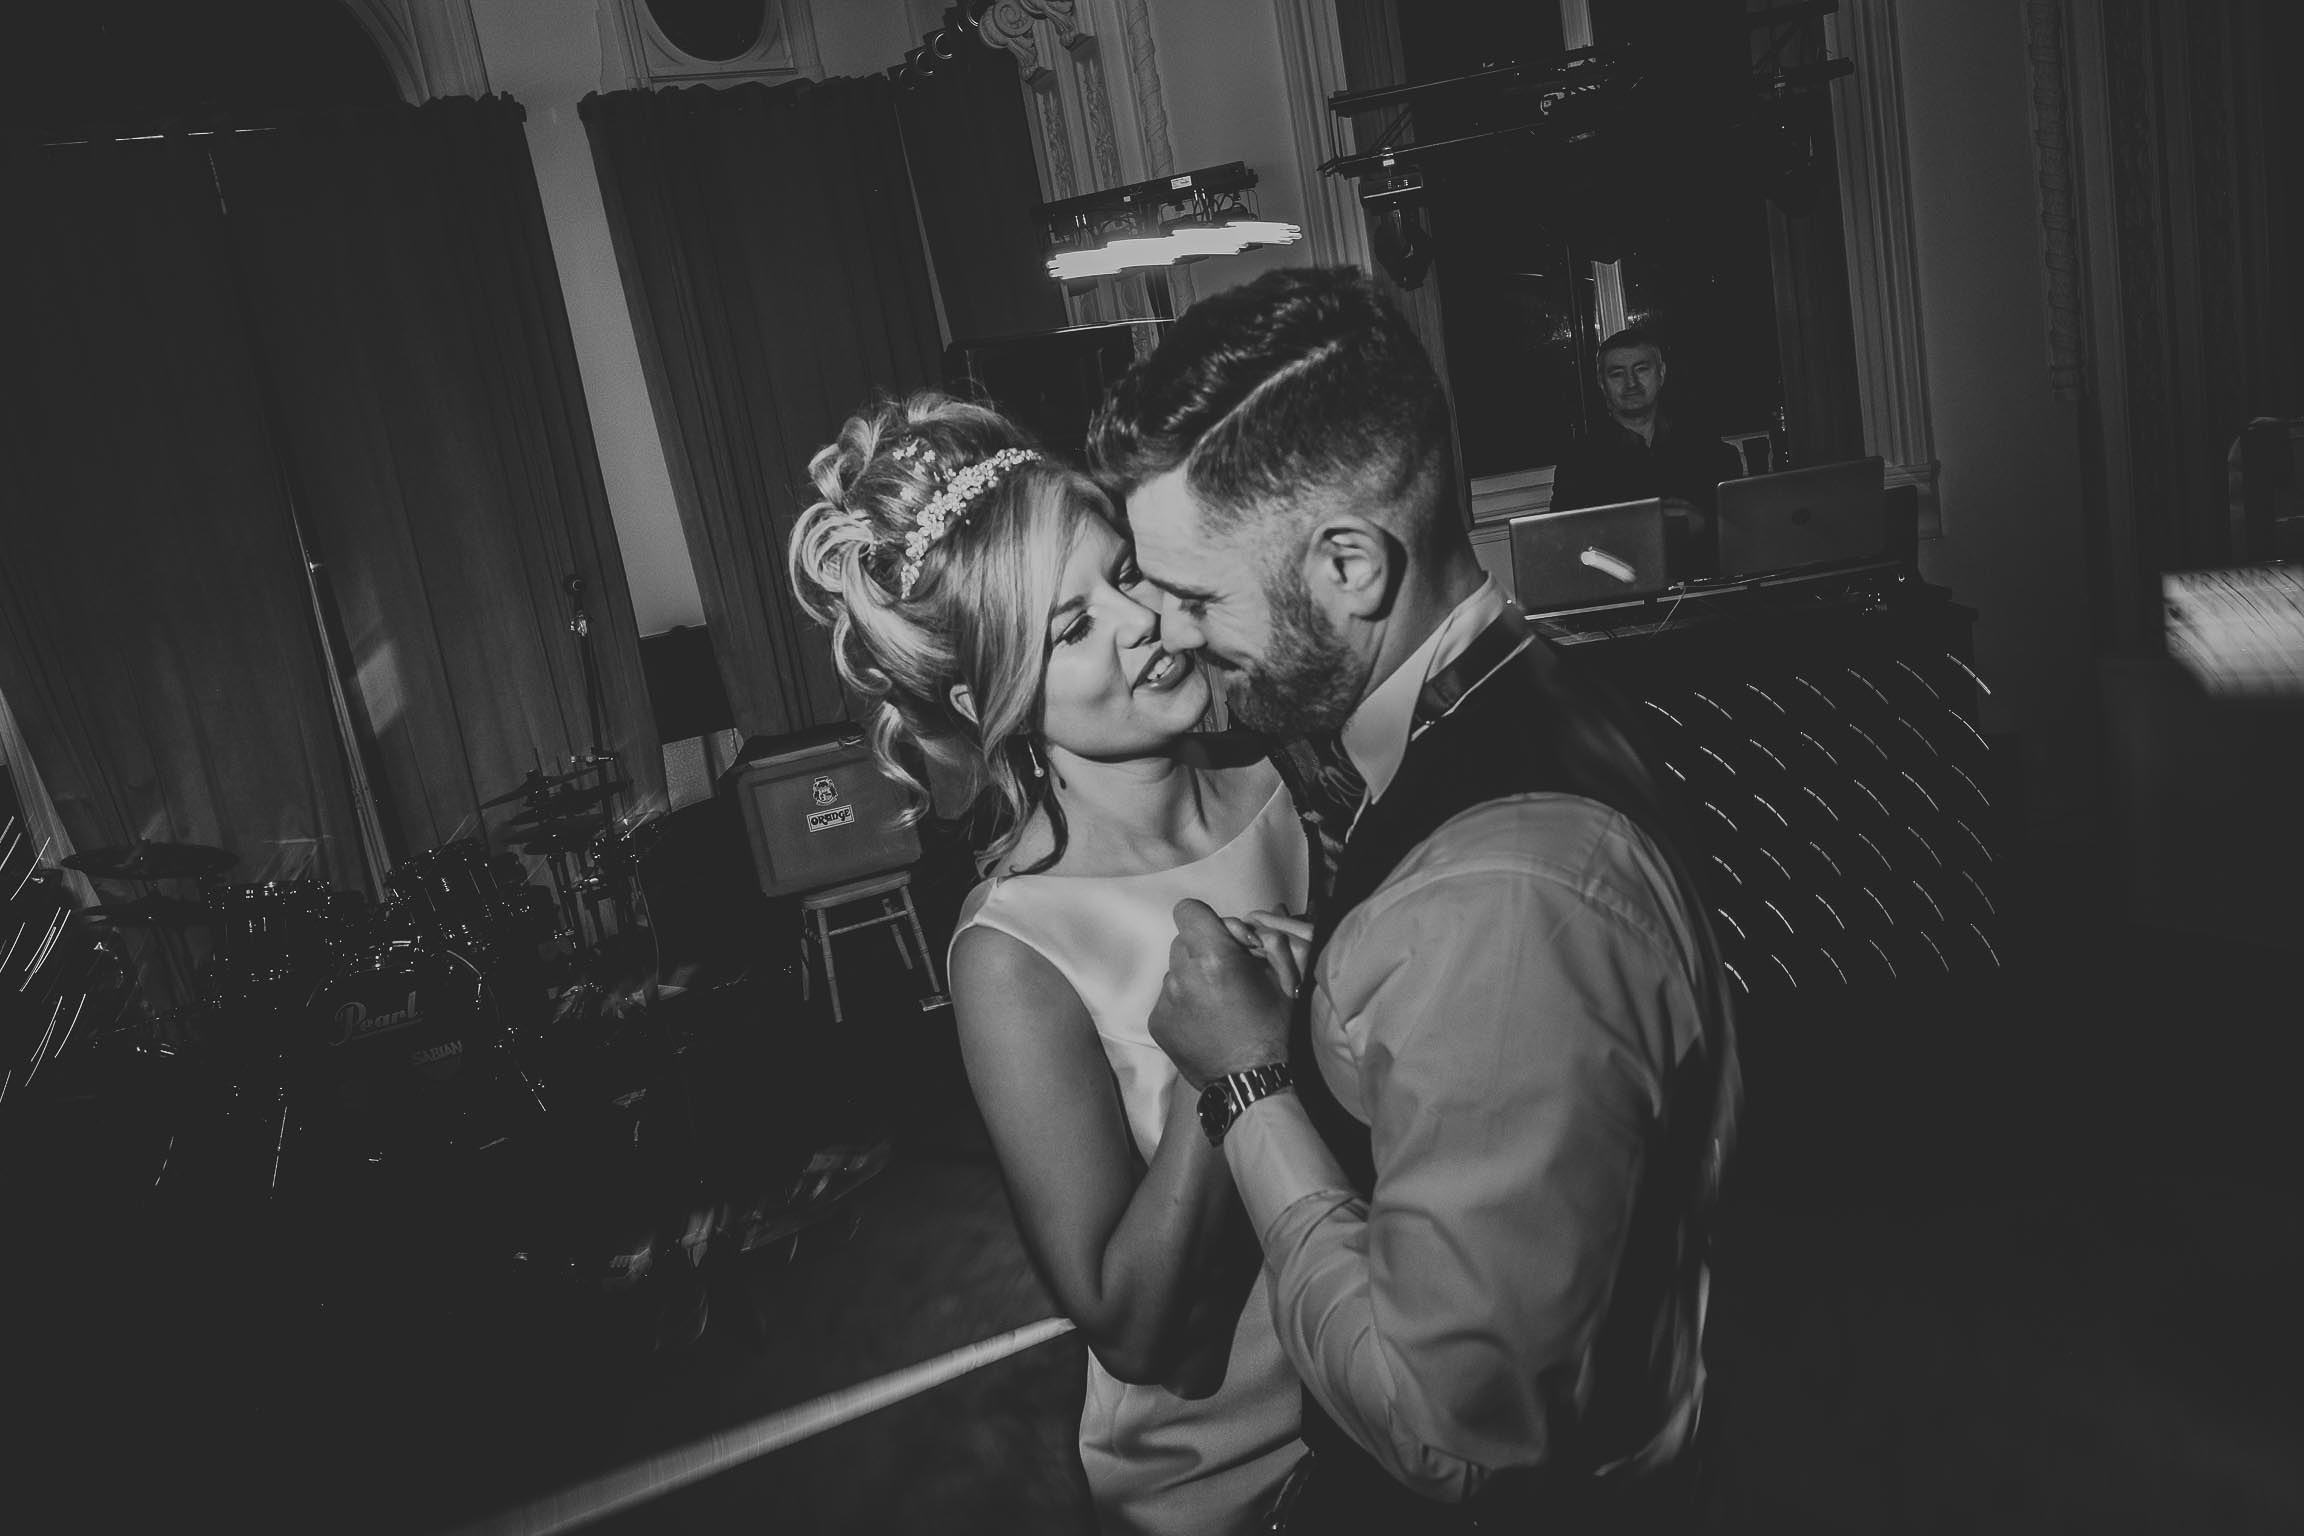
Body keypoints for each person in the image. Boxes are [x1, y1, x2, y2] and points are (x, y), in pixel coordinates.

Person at [1089, 268, 1740, 1532]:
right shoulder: (1509, 700)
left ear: (1348, 565)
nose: (1162, 634)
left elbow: (1453, 1436)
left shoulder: (1496, 903)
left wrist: (1245, 1082)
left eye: (1197, 594)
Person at [787, 392, 1306, 1535]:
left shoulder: (1293, 790)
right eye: (1069, 628)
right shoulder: (1017, 945)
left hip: (1414, 1387)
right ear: (991, 701)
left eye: (1123, 573)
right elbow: (1132, 1327)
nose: (1141, 623)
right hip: (1236, 1483)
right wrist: (1233, 1075)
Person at [1551, 327, 1745, 575]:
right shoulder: (1578, 463)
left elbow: (1741, 537)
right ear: (1602, 383)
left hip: (1704, 597)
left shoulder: (1707, 448)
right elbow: (1565, 550)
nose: (1631, 383)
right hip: (1624, 602)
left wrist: (1706, 524)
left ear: (1661, 374)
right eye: (1617, 374)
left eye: (1641, 369)